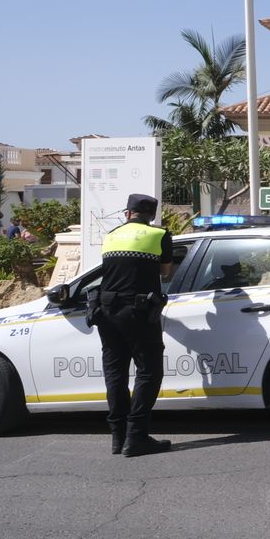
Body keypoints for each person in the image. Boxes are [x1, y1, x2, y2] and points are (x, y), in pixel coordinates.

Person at [90, 193, 176, 456]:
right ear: (151, 216)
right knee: (149, 372)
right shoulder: (159, 235)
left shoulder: (112, 235)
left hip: (106, 310)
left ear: (127, 213)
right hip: (137, 312)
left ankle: (117, 437)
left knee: (115, 373)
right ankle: (136, 436)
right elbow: (165, 272)